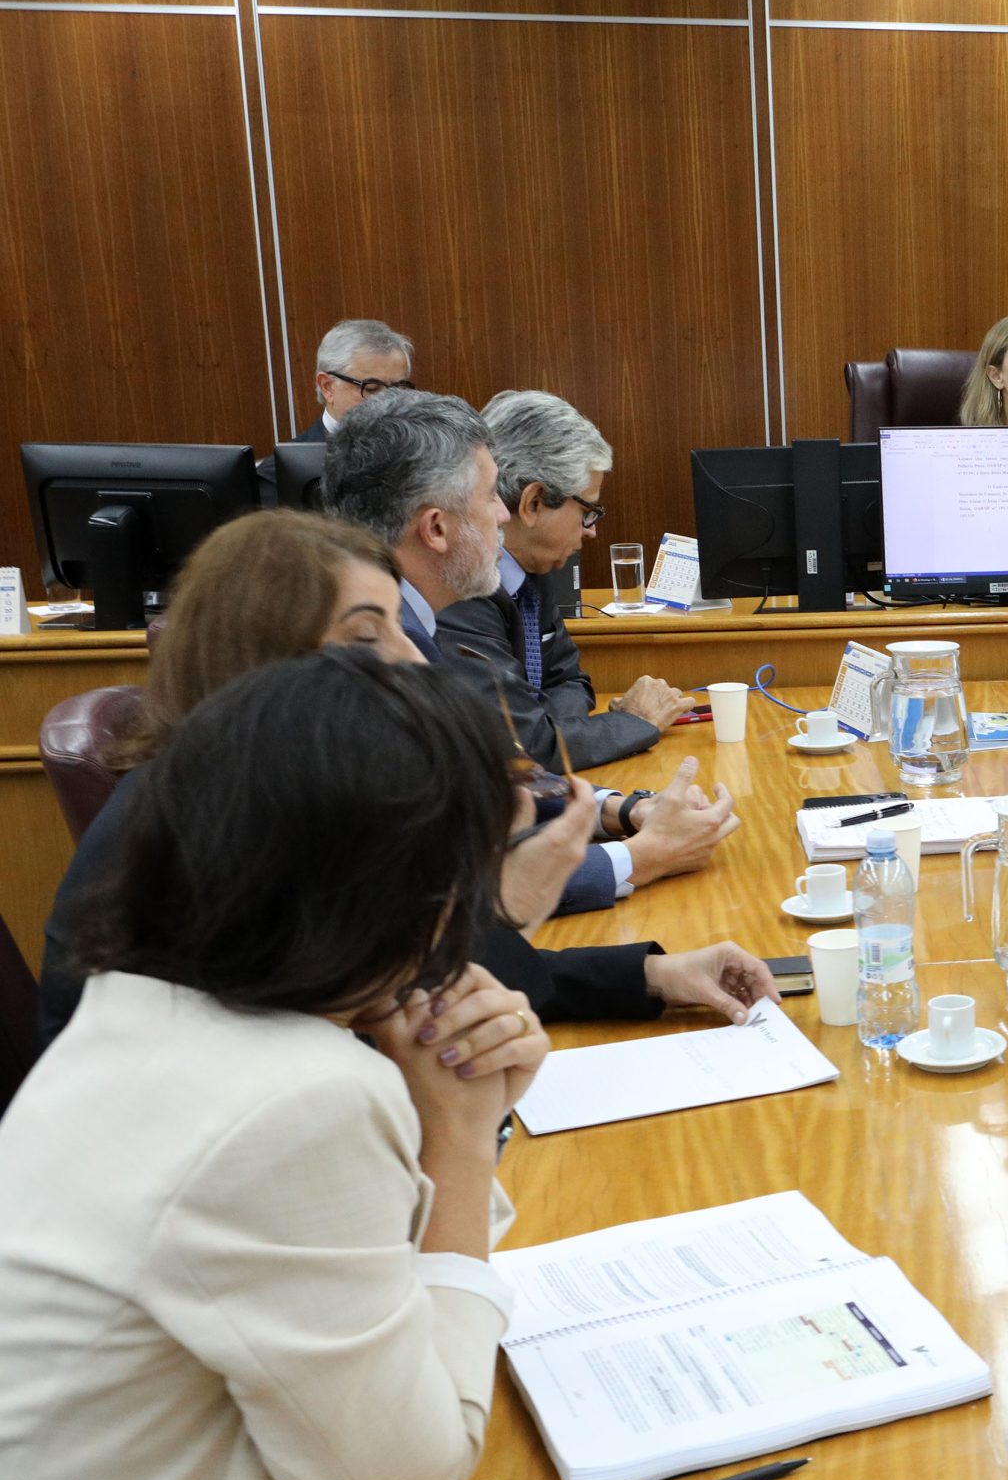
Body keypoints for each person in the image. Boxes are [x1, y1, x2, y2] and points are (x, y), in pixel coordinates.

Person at [0, 650, 544, 1480]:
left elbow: (352, 1276)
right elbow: (404, 1478)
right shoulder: (295, 1094)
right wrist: (461, 1145)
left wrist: (441, 1106)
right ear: (402, 893)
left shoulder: (144, 1011)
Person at [30, 510, 773, 1057]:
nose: (412, 662)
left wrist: (654, 975)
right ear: (266, 660)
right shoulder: (214, 830)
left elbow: (424, 972)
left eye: (398, 628)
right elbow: (405, 1015)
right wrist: (508, 900)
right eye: (366, 636)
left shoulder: (278, 789)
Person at [325, 390, 738, 911]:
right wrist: (642, 856)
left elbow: (502, 769)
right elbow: (449, 882)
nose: (502, 516)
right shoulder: (374, 656)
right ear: (435, 528)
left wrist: (620, 810)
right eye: (490, 495)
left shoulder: (405, 619)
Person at [437, 390, 689, 771]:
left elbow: (572, 680)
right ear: (533, 502)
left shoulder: (533, 574)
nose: (591, 532)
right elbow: (522, 748)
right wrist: (632, 722)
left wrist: (546, 724)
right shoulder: (457, 589)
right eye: (587, 510)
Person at [296, 317, 415, 443]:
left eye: (398, 388)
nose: (389, 403)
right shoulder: (291, 462)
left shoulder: (424, 455)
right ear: (327, 386)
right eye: (372, 388)